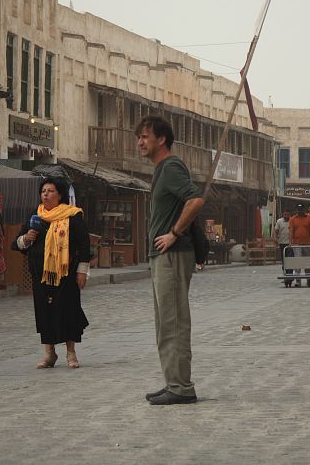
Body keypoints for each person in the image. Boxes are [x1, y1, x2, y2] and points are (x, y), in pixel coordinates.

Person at [136, 115, 204, 406]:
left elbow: (195, 199)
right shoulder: (161, 169)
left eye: (145, 136)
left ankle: (181, 387)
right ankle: (172, 382)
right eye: (139, 137)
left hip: (173, 255)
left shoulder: (171, 166)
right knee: (165, 323)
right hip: (161, 257)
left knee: (174, 321)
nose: (140, 142)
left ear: (161, 139)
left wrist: (174, 233)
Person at [12, 177, 91, 369]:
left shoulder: (72, 215)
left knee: (68, 310)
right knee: (44, 312)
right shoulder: (35, 216)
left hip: (67, 273)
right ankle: (49, 354)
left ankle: (71, 353)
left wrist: (82, 271)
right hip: (40, 273)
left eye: (50, 191)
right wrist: (27, 238)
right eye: (43, 191)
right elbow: (17, 244)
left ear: (60, 195)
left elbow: (84, 244)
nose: (45, 194)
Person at [287, 203, 310, 285]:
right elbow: (291, 231)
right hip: (296, 244)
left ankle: (309, 278)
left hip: (307, 244)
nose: (300, 211)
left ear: (304, 209)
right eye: (299, 209)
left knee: (308, 262)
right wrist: (290, 243)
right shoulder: (293, 219)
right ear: (297, 210)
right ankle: (298, 281)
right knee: (298, 262)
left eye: (301, 209)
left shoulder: (309, 218)